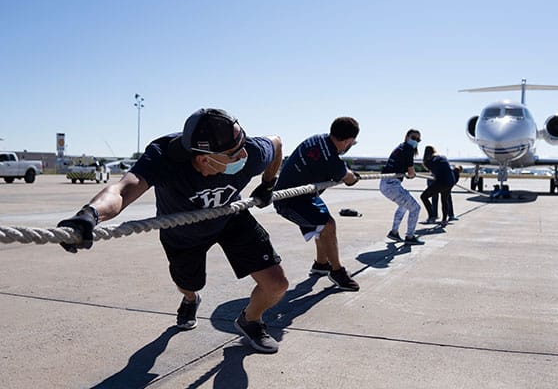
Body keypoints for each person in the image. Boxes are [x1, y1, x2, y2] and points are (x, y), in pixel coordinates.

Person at [57, 108, 288, 354]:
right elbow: (124, 190)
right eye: (234, 154)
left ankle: (250, 320)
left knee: (277, 284)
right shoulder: (164, 158)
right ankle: (190, 299)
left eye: (243, 145)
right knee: (189, 283)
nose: (244, 154)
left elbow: (276, 143)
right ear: (204, 159)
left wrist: (268, 183)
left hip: (231, 217)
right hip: (182, 231)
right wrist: (89, 215)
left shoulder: (250, 153)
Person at [273, 117, 361, 291]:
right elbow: (349, 179)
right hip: (289, 201)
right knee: (327, 225)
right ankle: (337, 271)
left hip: (306, 196)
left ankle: (321, 264)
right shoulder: (332, 159)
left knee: (323, 225)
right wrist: (353, 175)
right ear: (349, 141)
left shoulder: (318, 139)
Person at [379, 129, 424, 245]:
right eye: (413, 138)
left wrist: (409, 174)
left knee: (404, 206)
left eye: (418, 140)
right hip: (391, 185)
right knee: (415, 208)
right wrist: (411, 174)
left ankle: (394, 232)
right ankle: (410, 236)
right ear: (407, 137)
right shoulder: (408, 149)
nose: (415, 141)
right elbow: (411, 172)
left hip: (386, 183)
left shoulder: (401, 147)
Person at [420, 146, 455, 227]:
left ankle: (432, 216)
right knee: (444, 199)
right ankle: (444, 220)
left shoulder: (429, 161)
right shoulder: (443, 157)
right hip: (450, 181)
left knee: (423, 197)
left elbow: (434, 173)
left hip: (442, 181)